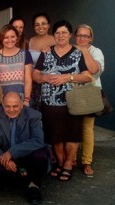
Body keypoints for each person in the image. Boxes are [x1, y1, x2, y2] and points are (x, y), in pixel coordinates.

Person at [32, 20, 91, 182]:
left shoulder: (77, 54)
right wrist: (44, 77)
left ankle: (68, 165)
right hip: (50, 103)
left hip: (73, 103)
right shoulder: (46, 53)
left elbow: (87, 76)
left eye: (64, 32)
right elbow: (35, 75)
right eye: (57, 32)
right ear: (54, 35)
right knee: (55, 136)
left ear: (70, 35)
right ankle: (59, 163)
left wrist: (68, 77)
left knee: (72, 135)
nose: (61, 35)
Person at [0, 92, 50, 205]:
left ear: (21, 105)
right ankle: (22, 178)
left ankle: (33, 186)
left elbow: (38, 140)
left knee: (40, 156)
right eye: (7, 106)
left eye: (15, 106)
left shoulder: (33, 115)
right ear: (2, 105)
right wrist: (3, 157)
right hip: (4, 154)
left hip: (26, 155)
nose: (11, 110)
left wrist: (12, 152)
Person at [74, 24, 104, 177]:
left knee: (86, 129)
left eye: (85, 36)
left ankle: (86, 162)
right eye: (79, 35)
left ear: (90, 38)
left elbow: (93, 70)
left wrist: (84, 51)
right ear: (75, 36)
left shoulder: (96, 51)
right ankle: (71, 159)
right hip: (72, 93)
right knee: (72, 127)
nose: (82, 38)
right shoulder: (70, 49)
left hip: (89, 94)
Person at [0, 24, 33, 106]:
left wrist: (26, 99)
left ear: (17, 37)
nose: (10, 40)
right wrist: (0, 101)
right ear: (1, 39)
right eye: (6, 37)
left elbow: (28, 79)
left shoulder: (26, 54)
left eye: (12, 37)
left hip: (22, 101)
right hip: (3, 101)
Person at [28, 13, 55, 110]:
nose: (40, 27)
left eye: (43, 23)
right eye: (37, 24)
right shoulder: (31, 40)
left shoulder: (55, 40)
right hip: (34, 82)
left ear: (48, 25)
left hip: (49, 82)